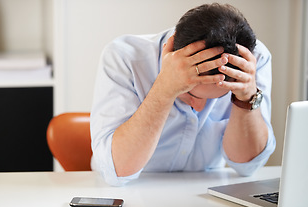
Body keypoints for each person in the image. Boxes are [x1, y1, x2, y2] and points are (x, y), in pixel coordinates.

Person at [90, 3, 276, 186]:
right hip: (130, 190)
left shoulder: (252, 60)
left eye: (220, 96)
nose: (198, 107)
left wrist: (245, 98)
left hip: (202, 193)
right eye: (189, 90)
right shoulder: (124, 57)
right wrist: (165, 89)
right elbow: (117, 170)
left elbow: (247, 166)